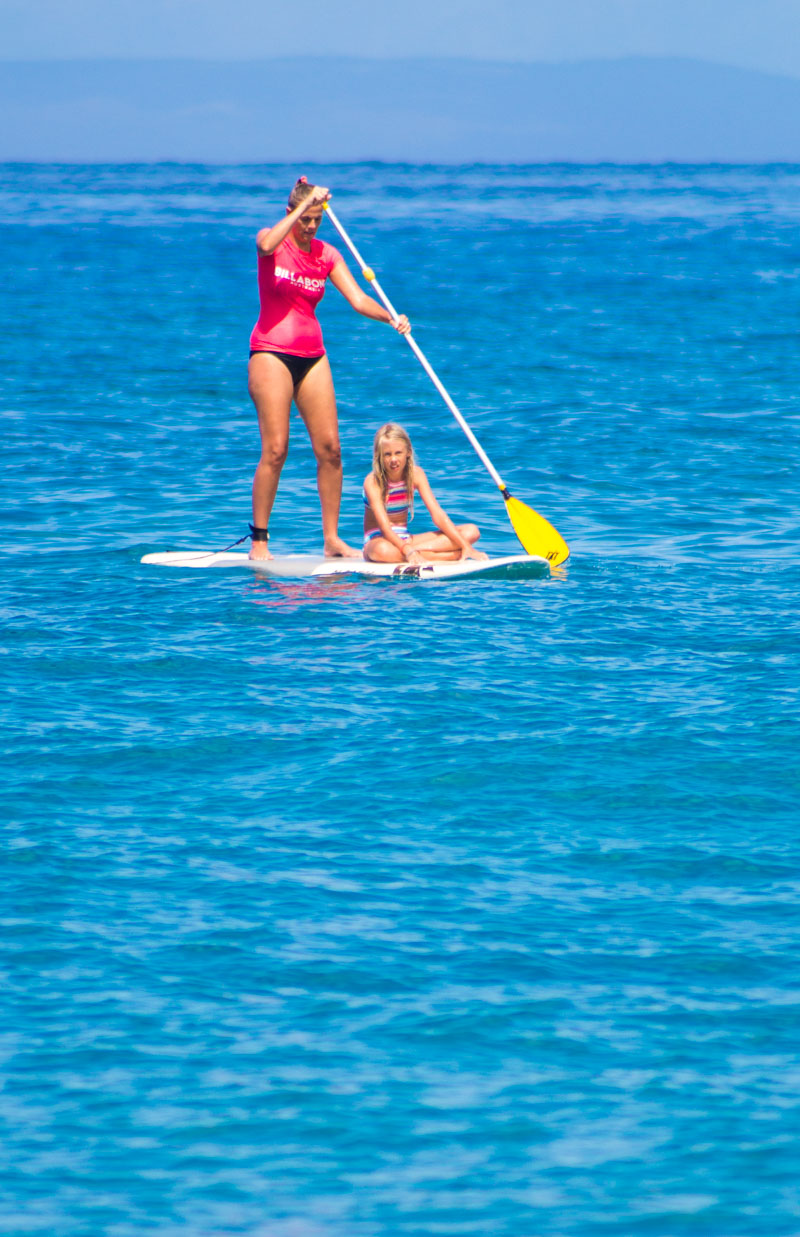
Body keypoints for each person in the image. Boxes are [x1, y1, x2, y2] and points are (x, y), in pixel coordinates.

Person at [248, 178, 411, 560]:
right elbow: (267, 244)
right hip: (270, 353)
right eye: (306, 219)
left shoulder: (326, 254)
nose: (311, 227)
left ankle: (332, 539)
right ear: (291, 214)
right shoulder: (271, 240)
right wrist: (301, 209)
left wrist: (391, 318)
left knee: (331, 450)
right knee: (276, 449)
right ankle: (259, 540)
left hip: (313, 356)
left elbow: (357, 299)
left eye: (317, 220)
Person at [363, 423, 488, 565]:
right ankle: (448, 556)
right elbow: (385, 528)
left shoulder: (416, 474)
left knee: (471, 531)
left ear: (408, 452)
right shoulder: (373, 482)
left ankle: (422, 552)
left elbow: (437, 514)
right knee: (382, 551)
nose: (393, 459)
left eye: (398, 453)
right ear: (379, 456)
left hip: (407, 539)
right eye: (387, 454)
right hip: (378, 540)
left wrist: (467, 546)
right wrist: (408, 551)